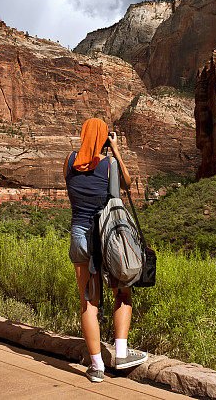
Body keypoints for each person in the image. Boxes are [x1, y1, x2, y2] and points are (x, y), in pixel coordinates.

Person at [63, 118, 148, 383]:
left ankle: (97, 366)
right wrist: (116, 151)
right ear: (103, 137)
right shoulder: (109, 164)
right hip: (107, 237)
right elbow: (126, 185)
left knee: (88, 300)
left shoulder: (68, 161)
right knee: (122, 291)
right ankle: (121, 353)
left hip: (79, 235)